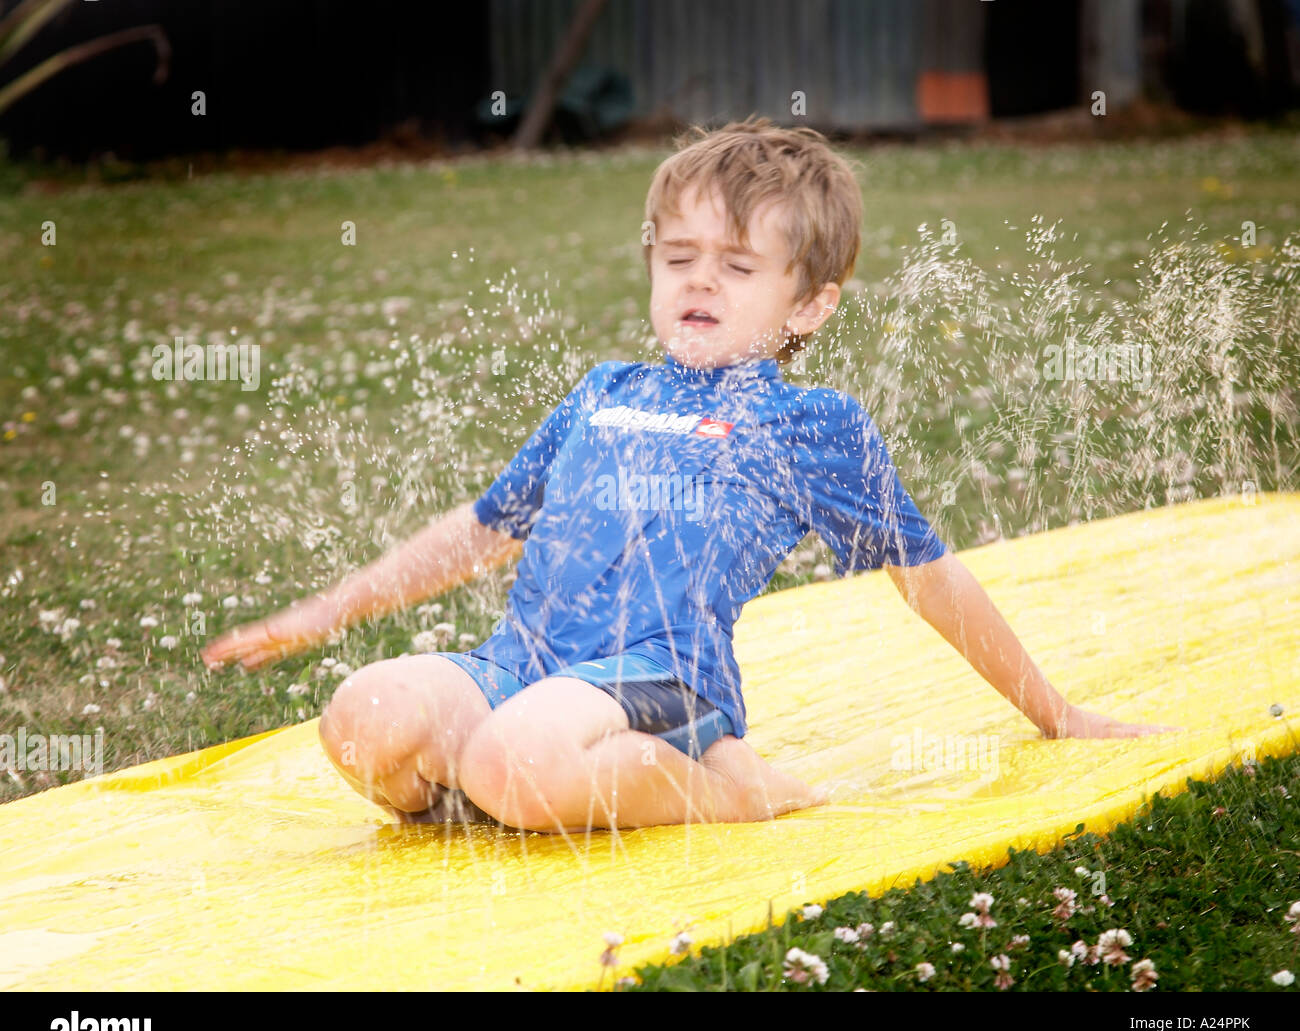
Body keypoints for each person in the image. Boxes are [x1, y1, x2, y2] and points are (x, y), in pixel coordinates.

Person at [201, 118, 1172, 834]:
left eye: (739, 266)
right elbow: (486, 526)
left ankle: (722, 786)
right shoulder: (601, 392)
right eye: (679, 257)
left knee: (518, 757)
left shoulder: (809, 425)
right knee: (361, 719)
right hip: (521, 666)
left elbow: (926, 573)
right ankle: (507, 790)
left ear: (811, 307)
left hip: (663, 679)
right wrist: (327, 609)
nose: (700, 280)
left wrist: (1053, 712)